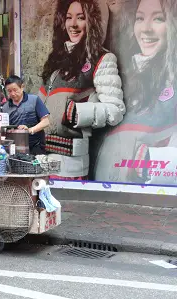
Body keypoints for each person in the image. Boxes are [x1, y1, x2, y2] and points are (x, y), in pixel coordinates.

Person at [38, 0, 125, 179]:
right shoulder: (56, 59)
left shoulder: (102, 59)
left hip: (71, 163)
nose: (73, 24)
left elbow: (115, 110)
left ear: (93, 22)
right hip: (43, 157)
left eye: (81, 18)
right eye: (69, 18)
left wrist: (76, 113)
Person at [93, 0, 177, 184]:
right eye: (140, 18)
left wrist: (150, 161)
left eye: (158, 19)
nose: (146, 29)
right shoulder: (125, 70)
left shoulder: (172, 77)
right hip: (107, 190)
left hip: (151, 195)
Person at [2, 75, 50, 155]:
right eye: (9, 91)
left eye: (15, 90)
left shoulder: (34, 100)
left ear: (22, 87)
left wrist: (29, 130)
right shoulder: (5, 108)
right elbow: (5, 129)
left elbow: (46, 121)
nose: (12, 94)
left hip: (36, 146)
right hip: (16, 148)